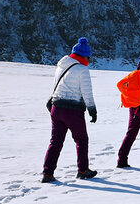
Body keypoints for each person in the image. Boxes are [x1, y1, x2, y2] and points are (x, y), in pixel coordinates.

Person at [42, 37, 98, 183]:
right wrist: (92, 109)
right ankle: (83, 170)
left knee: (55, 141)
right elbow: (87, 92)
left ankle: (47, 173)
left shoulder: (61, 66)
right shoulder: (82, 69)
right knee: (81, 140)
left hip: (56, 108)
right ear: (85, 56)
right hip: (72, 110)